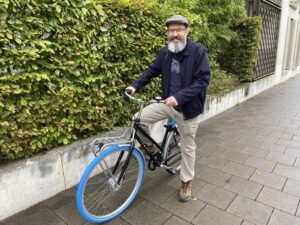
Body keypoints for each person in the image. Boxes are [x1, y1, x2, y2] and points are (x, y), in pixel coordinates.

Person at [126, 15, 211, 202]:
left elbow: (202, 81)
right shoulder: (165, 52)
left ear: (187, 31)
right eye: (171, 31)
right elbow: (151, 71)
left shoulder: (198, 51)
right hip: (166, 104)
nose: (175, 34)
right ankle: (151, 147)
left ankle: (186, 181)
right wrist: (135, 85)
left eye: (179, 30)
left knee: (188, 147)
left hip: (187, 109)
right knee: (137, 119)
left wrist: (178, 97)